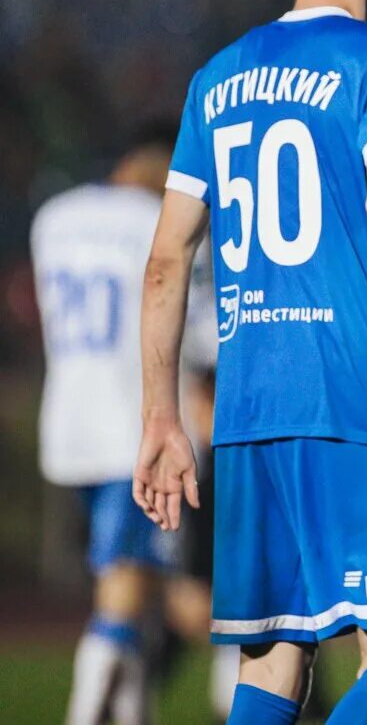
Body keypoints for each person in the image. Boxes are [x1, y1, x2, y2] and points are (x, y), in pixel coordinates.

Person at [136, 0, 367, 725]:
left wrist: (161, 418)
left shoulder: (215, 77)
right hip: (357, 393)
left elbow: (166, 261)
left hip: (249, 410)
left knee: (272, 663)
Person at [34, 121, 214, 724]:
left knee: (137, 598)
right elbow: (201, 331)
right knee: (125, 595)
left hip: (66, 426)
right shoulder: (159, 224)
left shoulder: (53, 218)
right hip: (133, 433)